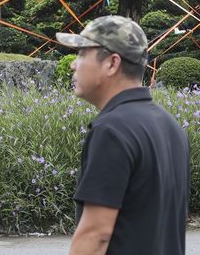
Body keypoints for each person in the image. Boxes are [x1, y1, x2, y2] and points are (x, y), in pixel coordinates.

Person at [57, 15, 189, 255]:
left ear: (111, 63)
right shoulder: (170, 125)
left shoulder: (112, 130)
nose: (73, 65)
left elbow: (96, 235)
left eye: (82, 54)